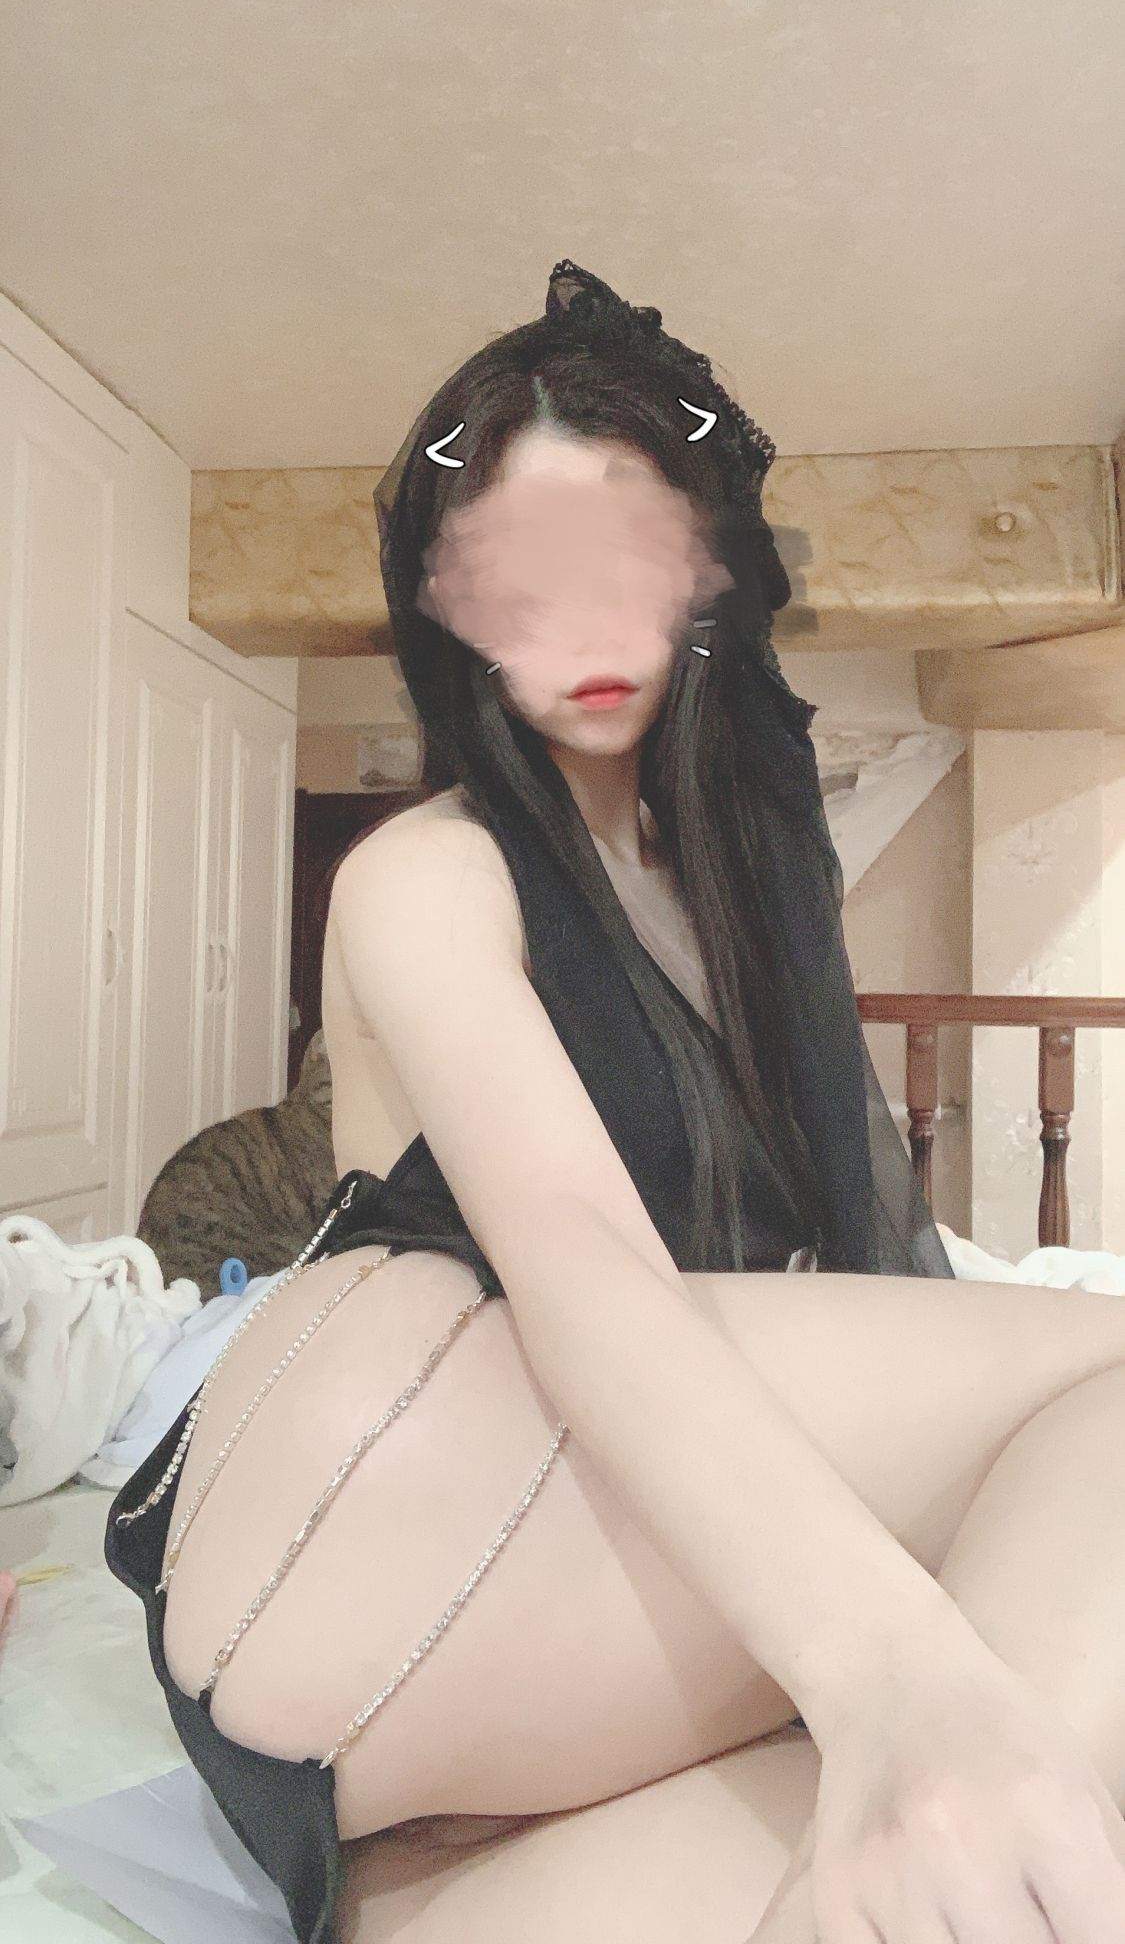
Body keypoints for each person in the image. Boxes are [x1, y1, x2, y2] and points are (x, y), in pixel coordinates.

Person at [105, 260, 1125, 1944]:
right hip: (376, 1474)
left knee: (1020, 1800)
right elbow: (579, 1256)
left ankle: (428, 1895)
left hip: (475, 1653)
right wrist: (895, 1674)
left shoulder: (744, 894)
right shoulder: (427, 872)